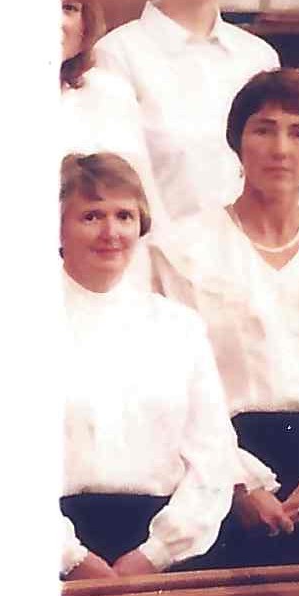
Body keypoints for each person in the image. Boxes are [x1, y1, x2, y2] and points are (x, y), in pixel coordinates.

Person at [165, 71, 299, 557]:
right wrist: (237, 484)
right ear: (237, 141)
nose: (281, 148)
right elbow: (177, 386)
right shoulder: (182, 247)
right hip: (219, 466)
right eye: (263, 129)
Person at [62, 153, 240, 574]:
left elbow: (213, 456)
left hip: (161, 552)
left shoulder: (179, 326)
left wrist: (154, 554)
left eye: (124, 216)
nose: (110, 232)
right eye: (90, 216)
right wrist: (73, 559)